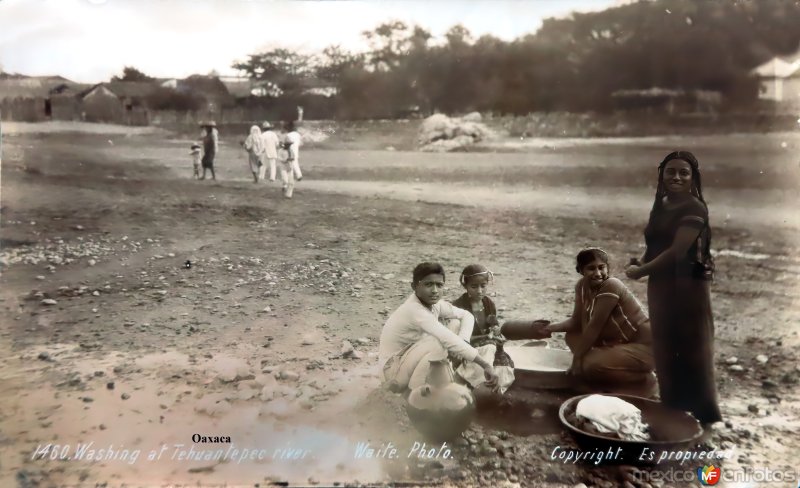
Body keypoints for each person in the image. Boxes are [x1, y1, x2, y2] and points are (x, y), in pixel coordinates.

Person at [625, 151, 722, 426]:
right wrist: (642, 261)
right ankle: (673, 404)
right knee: (666, 343)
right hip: (662, 284)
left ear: (693, 178)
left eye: (683, 172)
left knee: (693, 345)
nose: (676, 177)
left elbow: (678, 251)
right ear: (662, 175)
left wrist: (641, 271)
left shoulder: (695, 208)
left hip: (688, 285)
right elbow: (657, 245)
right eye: (671, 172)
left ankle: (705, 415)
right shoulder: (662, 203)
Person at [543, 248, 654, 389]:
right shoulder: (582, 286)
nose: (598, 273)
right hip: (620, 344)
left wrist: (577, 360)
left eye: (602, 268)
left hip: (645, 347)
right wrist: (549, 328)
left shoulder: (611, 285)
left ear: (608, 268)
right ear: (581, 270)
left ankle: (644, 380)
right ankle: (608, 367)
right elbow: (576, 322)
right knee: (572, 337)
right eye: (591, 269)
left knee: (591, 365)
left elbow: (595, 326)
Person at [379, 262, 499, 393]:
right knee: (439, 341)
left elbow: (467, 315)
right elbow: (446, 338)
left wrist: (464, 341)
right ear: (414, 287)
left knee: (455, 324)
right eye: (428, 284)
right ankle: (415, 392)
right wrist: (485, 365)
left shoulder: (436, 304)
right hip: (392, 370)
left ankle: (440, 376)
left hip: (408, 359)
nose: (435, 290)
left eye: (439, 285)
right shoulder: (414, 309)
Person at [452, 264, 513, 367]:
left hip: (488, 344)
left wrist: (496, 330)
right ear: (465, 286)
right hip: (467, 347)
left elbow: (493, 325)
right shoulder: (458, 306)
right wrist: (486, 337)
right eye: (474, 287)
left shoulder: (489, 304)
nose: (479, 291)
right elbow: (456, 337)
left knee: (505, 365)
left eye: (483, 286)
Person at [277, 131, 295, 199]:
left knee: (291, 182)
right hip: (283, 167)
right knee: (285, 180)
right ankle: (284, 185)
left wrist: (291, 159)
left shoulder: (291, 150)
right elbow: (279, 157)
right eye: (287, 144)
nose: (289, 146)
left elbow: (293, 157)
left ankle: (288, 195)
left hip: (290, 167)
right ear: (285, 144)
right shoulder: (281, 151)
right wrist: (285, 160)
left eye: (289, 144)